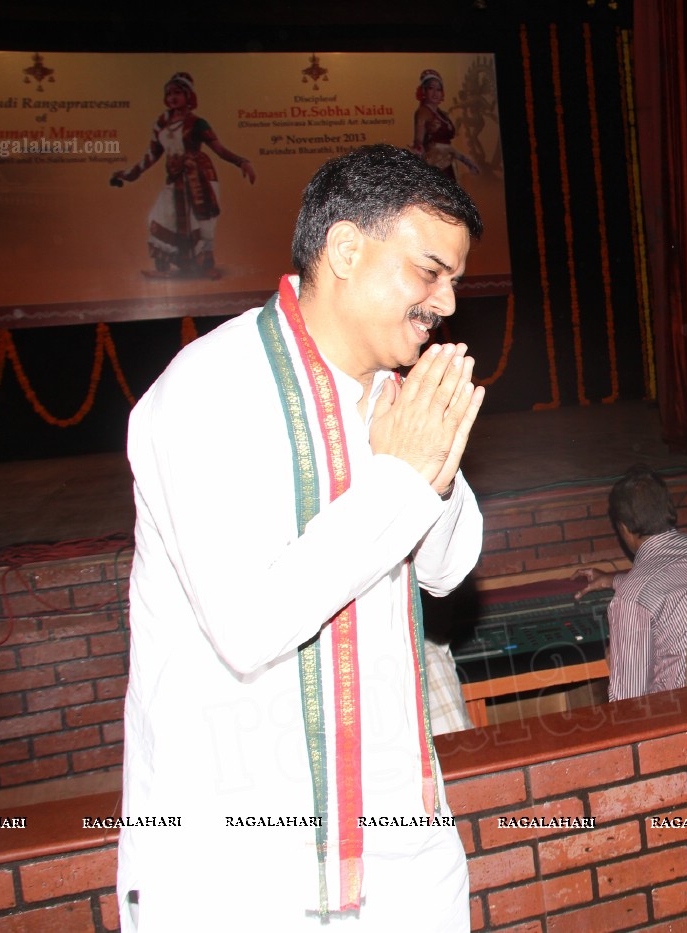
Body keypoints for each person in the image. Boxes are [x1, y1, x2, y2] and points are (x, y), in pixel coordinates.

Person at [120, 144, 485, 930]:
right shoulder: (210, 392)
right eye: (429, 271)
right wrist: (400, 477)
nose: (447, 303)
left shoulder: (394, 397)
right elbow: (249, 626)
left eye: (454, 280)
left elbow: (448, 571)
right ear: (346, 249)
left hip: (401, 850)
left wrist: (436, 466)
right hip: (240, 862)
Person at [573, 465, 687, 700]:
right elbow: (674, 581)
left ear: (623, 528)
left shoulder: (632, 598)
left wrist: (617, 665)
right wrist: (613, 580)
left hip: (680, 719)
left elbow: (629, 702)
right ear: (668, 510)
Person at [110, 72, 256, 279]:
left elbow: (219, 150)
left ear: (188, 96)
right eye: (168, 93)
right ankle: (163, 269)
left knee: (202, 222)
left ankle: (207, 265)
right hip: (176, 179)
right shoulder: (161, 123)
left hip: (200, 178)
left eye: (177, 92)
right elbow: (152, 155)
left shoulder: (198, 123)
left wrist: (242, 161)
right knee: (159, 218)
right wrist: (128, 174)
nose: (172, 97)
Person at [411, 69, 480, 183]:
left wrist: (467, 161)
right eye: (431, 88)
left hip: (448, 164)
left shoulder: (442, 114)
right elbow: (418, 142)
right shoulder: (423, 112)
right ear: (424, 90)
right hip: (434, 166)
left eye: (438, 89)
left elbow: (447, 147)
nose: (435, 93)